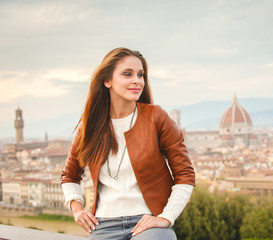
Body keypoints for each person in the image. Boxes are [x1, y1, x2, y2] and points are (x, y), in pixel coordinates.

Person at [61, 47, 195, 240]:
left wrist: (166, 217)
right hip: (103, 224)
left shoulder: (156, 117)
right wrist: (77, 209)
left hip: (148, 222)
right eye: (127, 74)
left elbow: (185, 175)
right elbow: (70, 175)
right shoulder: (90, 127)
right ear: (107, 81)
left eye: (140, 75)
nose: (137, 80)